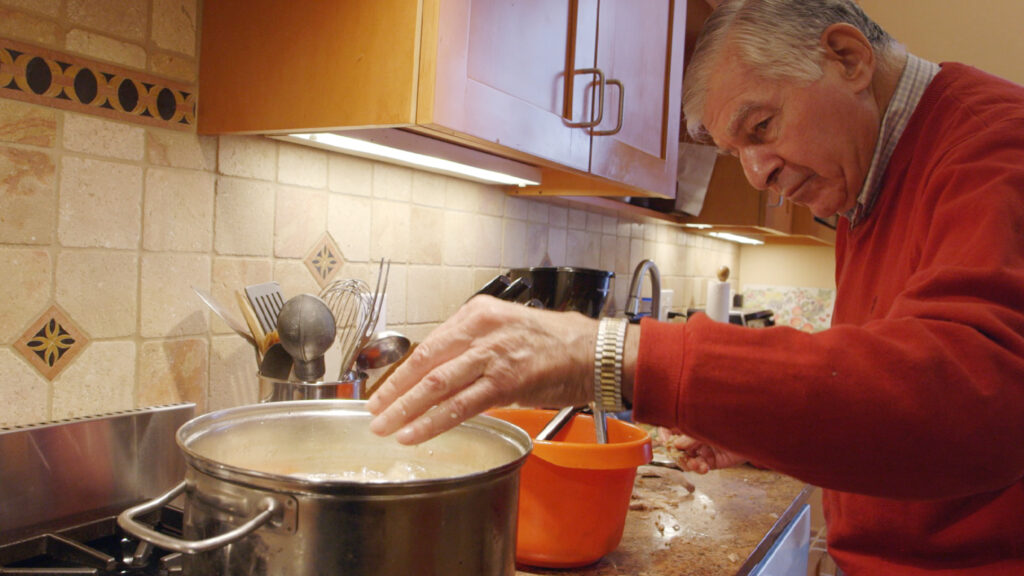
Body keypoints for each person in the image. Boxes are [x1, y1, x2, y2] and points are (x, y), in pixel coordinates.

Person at [367, 0, 1024, 573]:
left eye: (761, 128)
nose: (759, 174)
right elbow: (886, 400)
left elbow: (973, 397)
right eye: (736, 150)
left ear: (847, 57)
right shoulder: (868, 179)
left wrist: (609, 353)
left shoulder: (995, 147)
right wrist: (760, 427)